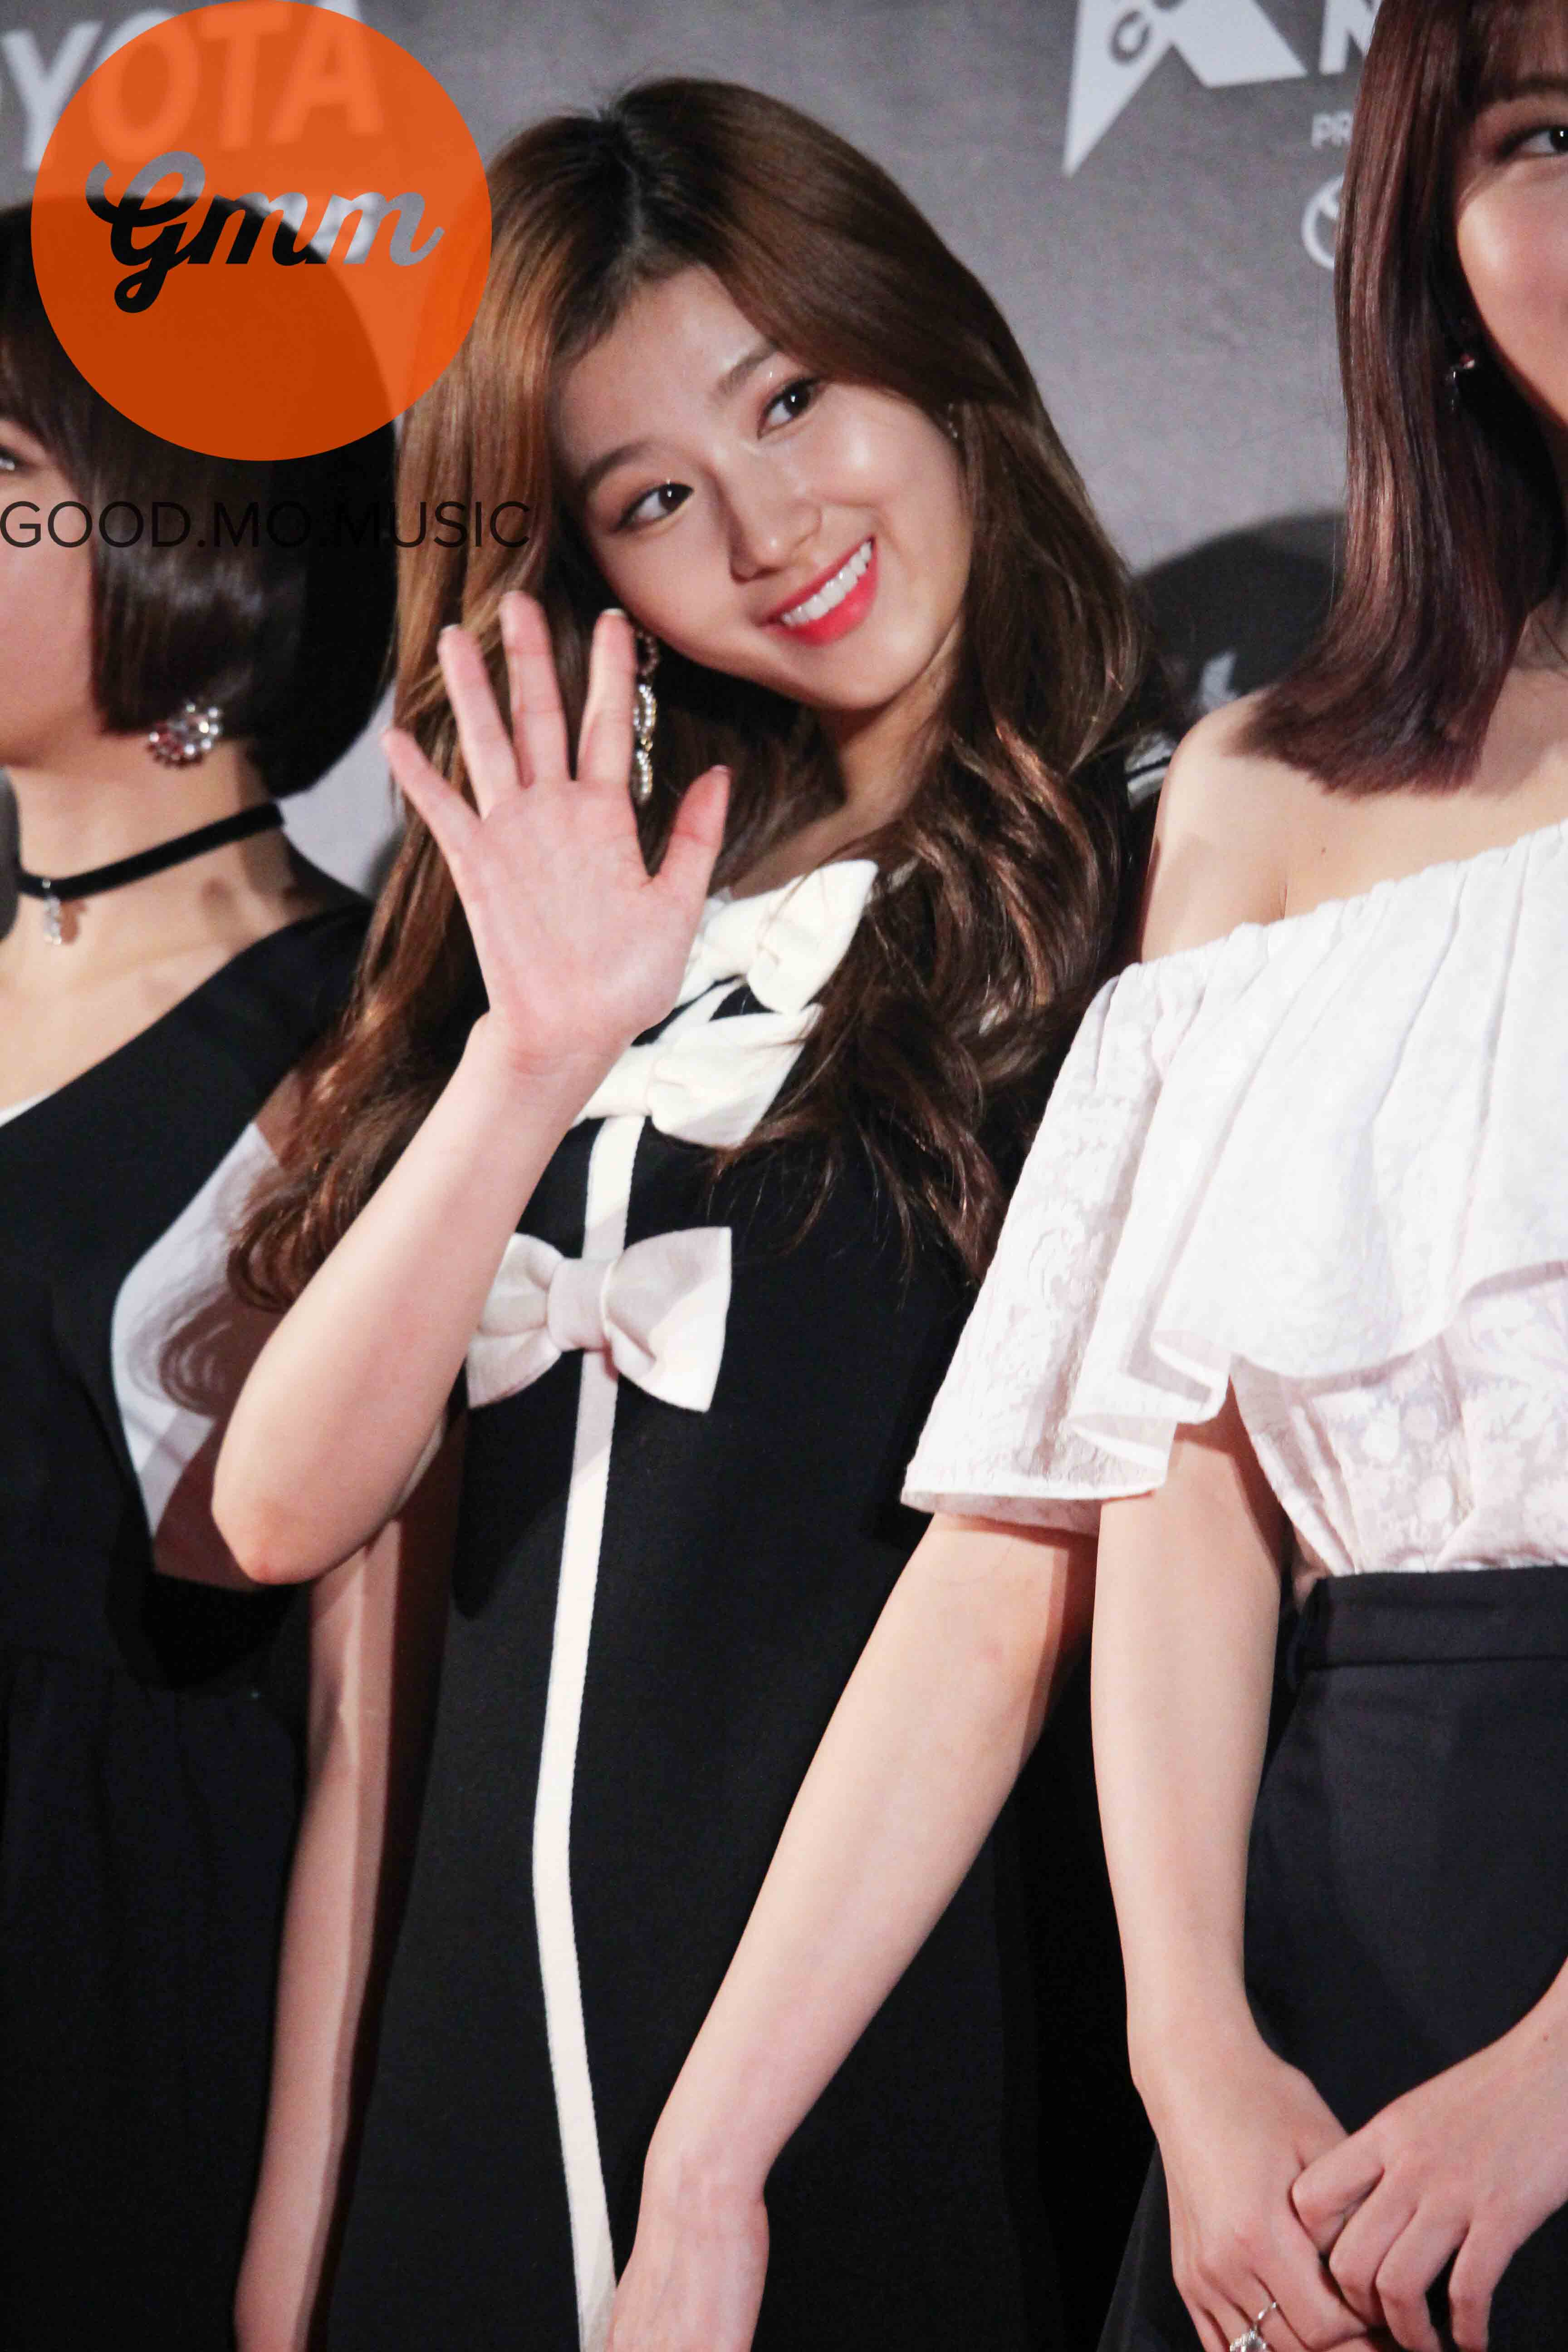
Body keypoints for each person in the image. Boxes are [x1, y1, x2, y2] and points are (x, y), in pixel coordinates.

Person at [215, 77, 1171, 2351]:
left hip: (868, 2088)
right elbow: (284, 1515)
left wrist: (716, 2162)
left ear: (924, 341)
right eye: (652, 496)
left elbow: (1039, 1591)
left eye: (794, 397)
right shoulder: (596, 911)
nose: (767, 528)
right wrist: (530, 1054)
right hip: (472, 2118)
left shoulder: (1161, 873)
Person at [902, 2, 1568, 2348]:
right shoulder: (1271, 786)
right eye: (1549, 135)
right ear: (1427, 232)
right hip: (1337, 1957)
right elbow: (1181, 1472)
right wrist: (1190, 2050)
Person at [0, 204, 405, 2348]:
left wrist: (302, 2234)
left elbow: (366, 1717)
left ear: (200, 536)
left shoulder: (363, 1042)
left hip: (114, 1987)